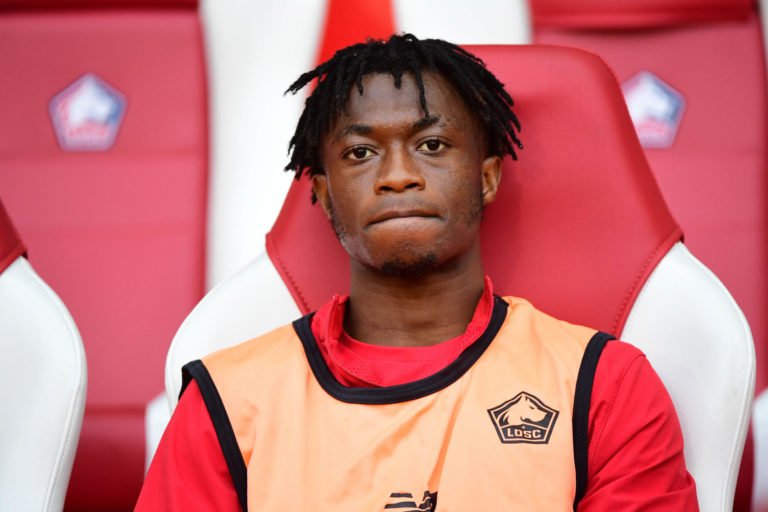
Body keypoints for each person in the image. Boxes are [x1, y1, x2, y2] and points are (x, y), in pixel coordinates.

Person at [136, 34, 698, 511]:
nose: (398, 175)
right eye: (361, 153)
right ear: (324, 196)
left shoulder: (603, 387)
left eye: (431, 144)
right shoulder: (225, 402)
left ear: (487, 178)